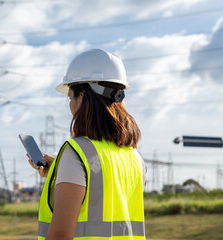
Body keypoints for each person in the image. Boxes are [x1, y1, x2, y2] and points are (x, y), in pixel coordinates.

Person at [28, 49, 146, 240]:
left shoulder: (76, 153)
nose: (70, 104)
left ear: (82, 97)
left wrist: (68, 166)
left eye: (70, 97)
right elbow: (102, 194)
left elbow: (60, 235)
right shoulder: (135, 158)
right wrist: (60, 170)